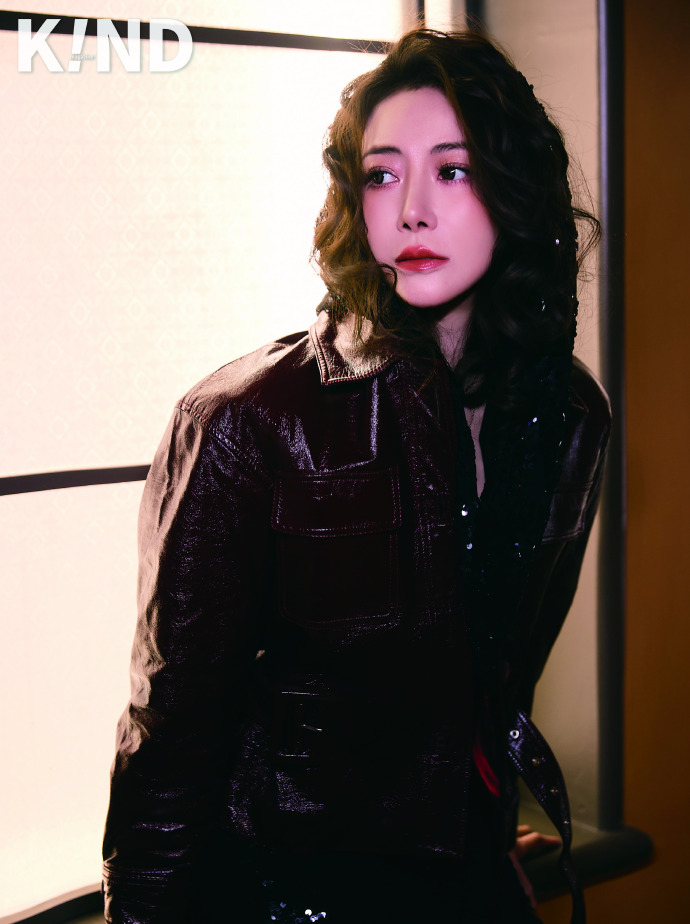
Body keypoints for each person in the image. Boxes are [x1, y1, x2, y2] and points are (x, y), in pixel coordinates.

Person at [102, 28, 610, 924]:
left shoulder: (569, 415)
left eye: (453, 170)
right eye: (381, 175)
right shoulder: (245, 422)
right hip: (276, 899)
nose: (411, 210)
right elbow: (168, 748)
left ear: (516, 191)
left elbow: (498, 680)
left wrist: (489, 845)